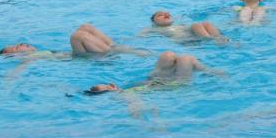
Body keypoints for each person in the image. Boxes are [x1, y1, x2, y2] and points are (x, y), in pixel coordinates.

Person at [85, 51, 219, 95]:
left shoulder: (125, 89)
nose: (110, 85)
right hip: (176, 84)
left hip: (156, 80)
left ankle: (206, 71)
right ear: (112, 87)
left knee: (167, 55)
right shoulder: (125, 95)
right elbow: (136, 107)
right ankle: (211, 72)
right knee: (186, 58)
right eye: (107, 87)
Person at [0, 24, 150, 57]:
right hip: (79, 59)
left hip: (76, 55)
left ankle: (114, 46)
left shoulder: (42, 52)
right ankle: (112, 51)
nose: (20, 44)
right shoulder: (28, 58)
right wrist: (10, 79)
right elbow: (19, 70)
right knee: (77, 36)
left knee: (86, 27)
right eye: (16, 48)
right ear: (15, 56)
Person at [142, 10, 228, 44]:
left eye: (167, 14)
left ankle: (221, 38)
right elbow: (141, 35)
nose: (165, 14)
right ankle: (213, 40)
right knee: (196, 25)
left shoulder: (178, 25)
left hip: (194, 36)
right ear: (154, 21)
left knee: (207, 23)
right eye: (160, 15)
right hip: (184, 40)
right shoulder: (154, 29)